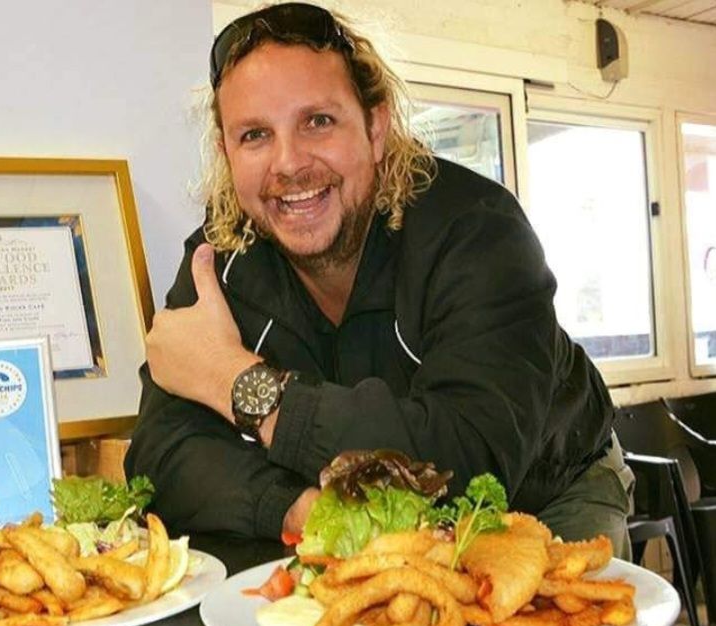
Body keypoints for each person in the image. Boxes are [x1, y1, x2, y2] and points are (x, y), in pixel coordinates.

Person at [125, 2, 633, 557]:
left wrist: (234, 381)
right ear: (226, 152)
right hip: (340, 517)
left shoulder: (478, 231)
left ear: (375, 126)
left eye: (317, 121)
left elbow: (465, 457)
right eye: (254, 135)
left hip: (546, 493)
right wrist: (294, 508)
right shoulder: (218, 259)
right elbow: (161, 455)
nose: (288, 164)